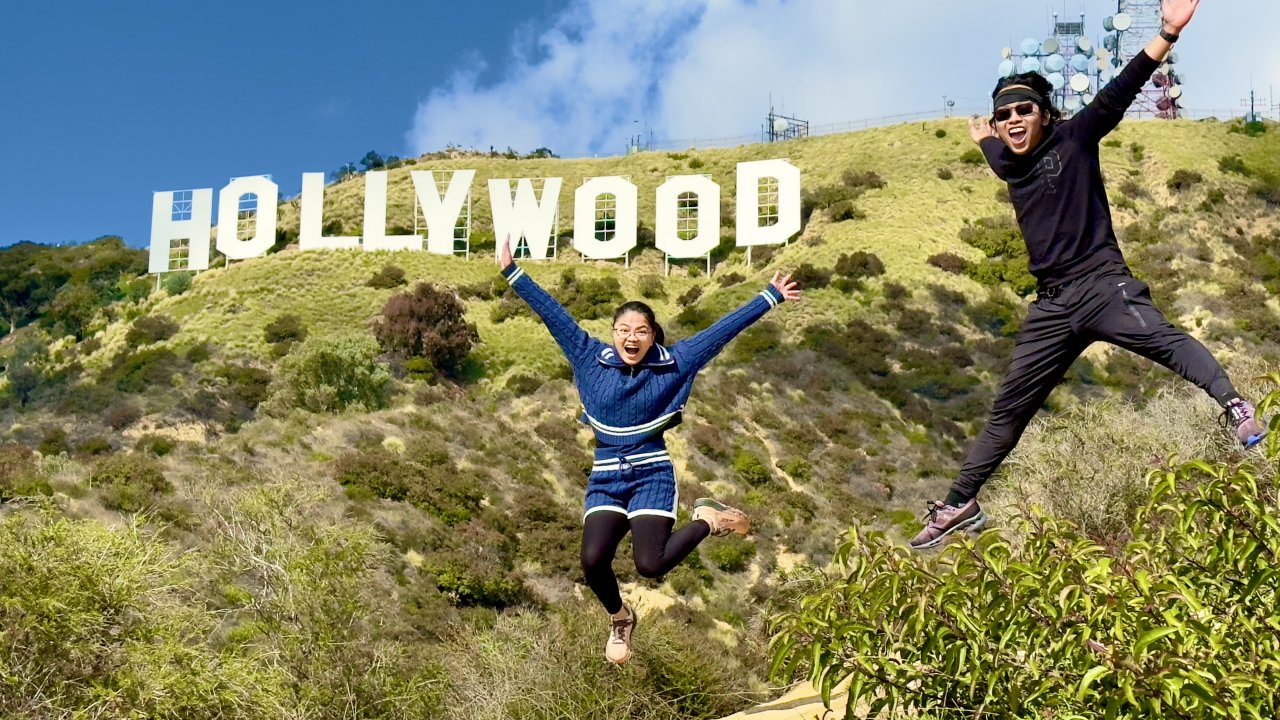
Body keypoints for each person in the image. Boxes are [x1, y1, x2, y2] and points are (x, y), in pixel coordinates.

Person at [911, 0, 1266, 550]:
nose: (1013, 121)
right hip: (1052, 307)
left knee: (1166, 342)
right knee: (1008, 410)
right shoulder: (1007, 161)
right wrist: (982, 137)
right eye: (1004, 116)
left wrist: (1168, 33)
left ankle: (1235, 406)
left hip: (1102, 285)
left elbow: (1119, 90)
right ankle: (961, 503)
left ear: (1045, 115)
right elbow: (996, 155)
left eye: (1024, 110)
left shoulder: (1075, 138)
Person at [496, 236, 801, 663]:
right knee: (592, 561)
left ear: (653, 334)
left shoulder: (674, 363)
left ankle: (709, 520)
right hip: (607, 476)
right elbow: (553, 314)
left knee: (650, 565)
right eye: (624, 330)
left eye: (641, 331)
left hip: (651, 476)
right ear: (613, 334)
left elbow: (720, 332)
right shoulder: (588, 358)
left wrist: (769, 297)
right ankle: (621, 618)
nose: (631, 337)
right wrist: (513, 272)